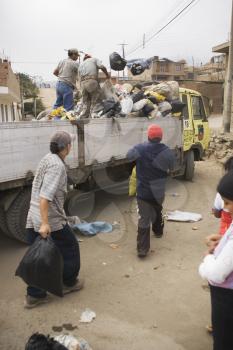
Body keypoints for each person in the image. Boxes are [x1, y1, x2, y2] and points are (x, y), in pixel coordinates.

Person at [25, 131, 83, 308]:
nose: (70, 146)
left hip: (33, 215)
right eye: (70, 144)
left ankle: (34, 295)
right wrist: (45, 223)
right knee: (70, 249)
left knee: (39, 256)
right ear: (66, 148)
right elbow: (45, 197)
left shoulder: (48, 158)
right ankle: (68, 283)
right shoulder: (57, 166)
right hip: (50, 219)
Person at [127, 124, 174, 257]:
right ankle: (158, 231)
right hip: (158, 192)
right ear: (161, 137)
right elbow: (172, 168)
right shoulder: (167, 151)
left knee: (144, 218)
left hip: (143, 192)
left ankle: (142, 249)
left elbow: (128, 156)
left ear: (148, 136)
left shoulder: (140, 148)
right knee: (158, 209)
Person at [199, 170, 233, 350]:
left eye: (228, 202)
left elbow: (217, 274)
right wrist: (222, 242)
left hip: (226, 298)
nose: (225, 207)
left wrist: (208, 258)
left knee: (223, 340)